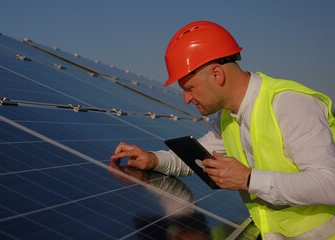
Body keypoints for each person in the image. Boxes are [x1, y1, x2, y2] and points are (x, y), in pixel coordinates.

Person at [110, 20, 335, 239]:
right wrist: (152, 160)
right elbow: (199, 157)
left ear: (217, 74)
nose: (187, 99)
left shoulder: (289, 104)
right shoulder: (229, 116)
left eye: (190, 88)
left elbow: (330, 183)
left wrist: (249, 180)